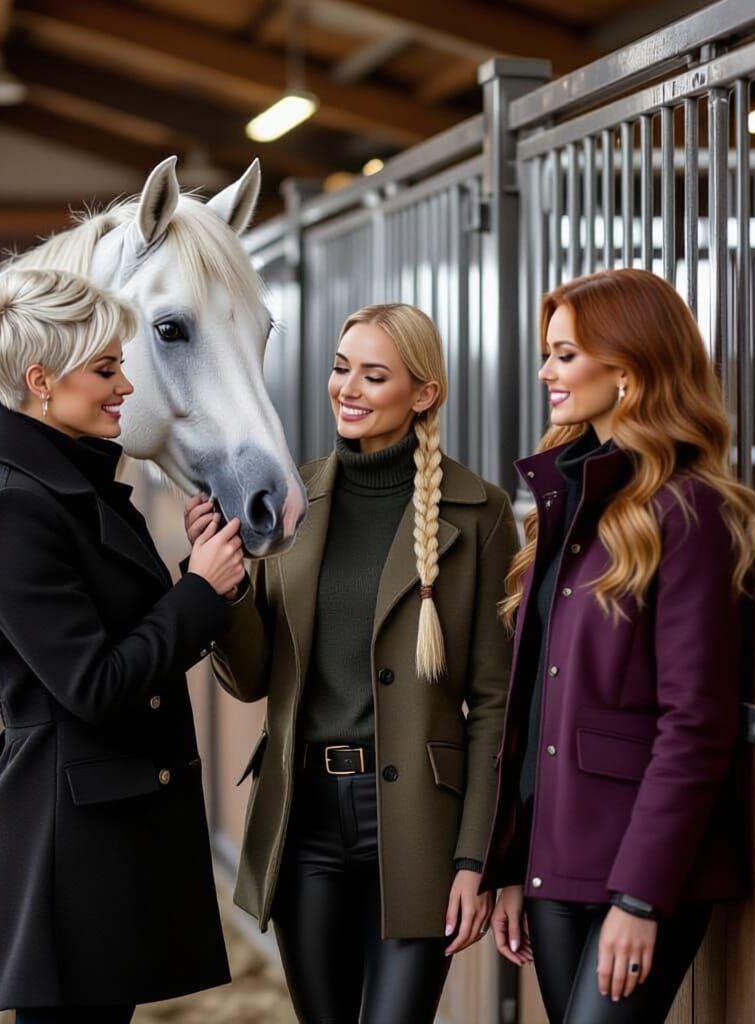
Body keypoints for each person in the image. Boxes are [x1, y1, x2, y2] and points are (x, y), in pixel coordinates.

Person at [197, 302, 516, 1024]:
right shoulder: (290, 497)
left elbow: (496, 704)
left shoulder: (480, 512)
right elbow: (251, 679)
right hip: (303, 816)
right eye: (343, 369)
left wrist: (476, 858)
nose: (349, 389)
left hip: (416, 824)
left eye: (375, 376)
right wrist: (225, 588)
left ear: (423, 393)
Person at [0, 268, 244, 1023]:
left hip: (101, 826)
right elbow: (93, 683)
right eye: (108, 369)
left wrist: (195, 570)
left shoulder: (67, 492)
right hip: (66, 839)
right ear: (42, 381)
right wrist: (199, 594)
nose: (126, 388)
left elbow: (117, 632)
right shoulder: (15, 511)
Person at [481, 268, 755, 1023]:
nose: (546, 371)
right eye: (550, 353)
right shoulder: (566, 497)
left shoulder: (689, 510)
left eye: (565, 355)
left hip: (639, 872)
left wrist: (640, 897)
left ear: (628, 370)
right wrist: (511, 865)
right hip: (555, 863)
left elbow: (696, 721)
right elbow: (534, 698)